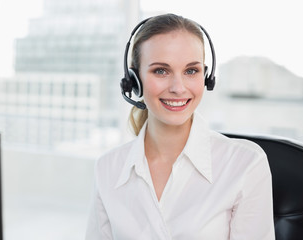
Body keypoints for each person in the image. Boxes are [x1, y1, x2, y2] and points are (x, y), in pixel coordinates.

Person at [86, 13, 275, 239]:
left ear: (206, 77)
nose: (178, 87)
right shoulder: (108, 168)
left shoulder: (245, 164)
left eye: (191, 71)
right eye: (161, 71)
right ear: (134, 80)